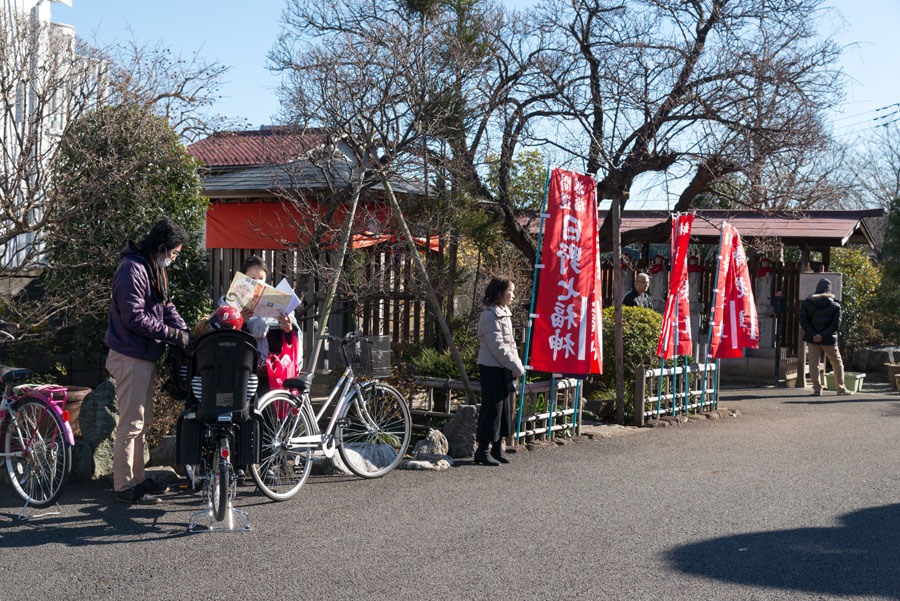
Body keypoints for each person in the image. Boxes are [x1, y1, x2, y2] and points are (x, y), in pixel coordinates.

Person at [105, 218, 193, 505]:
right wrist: (172, 334)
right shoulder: (132, 269)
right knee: (131, 424)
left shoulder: (149, 267)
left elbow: (166, 306)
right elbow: (134, 317)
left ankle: (139, 481)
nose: (174, 259)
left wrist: (185, 332)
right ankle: (124, 488)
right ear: (162, 247)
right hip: (130, 355)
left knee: (141, 424)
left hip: (141, 354)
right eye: (175, 253)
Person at [219, 255, 302, 395]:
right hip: (240, 367)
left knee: (268, 410)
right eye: (251, 278)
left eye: (261, 278)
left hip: (271, 370)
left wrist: (287, 329)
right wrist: (241, 321)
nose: (257, 282)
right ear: (242, 278)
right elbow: (223, 336)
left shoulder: (277, 299)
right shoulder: (228, 303)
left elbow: (291, 339)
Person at [475, 276, 525, 466]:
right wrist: (516, 366)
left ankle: (497, 449)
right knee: (491, 410)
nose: (513, 295)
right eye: (510, 291)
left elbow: (510, 344)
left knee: (503, 411)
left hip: (503, 368)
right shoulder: (489, 315)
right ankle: (482, 451)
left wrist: (515, 365)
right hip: (491, 368)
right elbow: (498, 347)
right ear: (499, 293)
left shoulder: (504, 311)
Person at [799, 278, 852, 396]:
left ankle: (817, 389)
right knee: (837, 362)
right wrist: (822, 335)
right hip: (829, 339)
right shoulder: (835, 305)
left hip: (813, 339)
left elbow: (803, 320)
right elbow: (835, 324)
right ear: (829, 290)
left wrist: (814, 334)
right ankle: (841, 388)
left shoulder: (808, 303)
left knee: (813, 363)